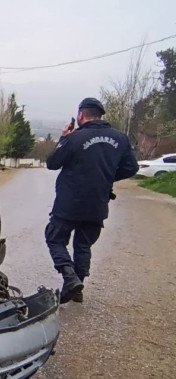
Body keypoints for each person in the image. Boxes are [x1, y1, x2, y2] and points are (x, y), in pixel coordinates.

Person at [45, 97, 139, 303]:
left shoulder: (75, 138)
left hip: (69, 204)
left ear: (80, 115)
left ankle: (70, 278)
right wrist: (106, 176)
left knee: (55, 238)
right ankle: (77, 290)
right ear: (100, 115)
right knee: (83, 245)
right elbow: (132, 167)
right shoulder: (120, 139)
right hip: (97, 203)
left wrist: (63, 138)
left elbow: (52, 163)